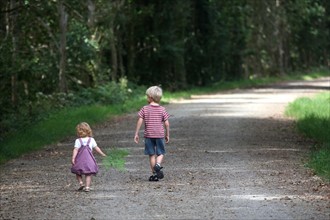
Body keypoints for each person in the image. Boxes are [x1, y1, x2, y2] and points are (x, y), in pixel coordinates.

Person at [134, 86, 170, 181]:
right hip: (159, 135)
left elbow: (140, 121)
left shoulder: (145, 109)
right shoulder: (162, 109)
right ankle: (158, 165)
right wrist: (167, 134)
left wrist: (136, 133)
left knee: (151, 154)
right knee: (161, 153)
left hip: (149, 135)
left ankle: (154, 174)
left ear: (150, 97)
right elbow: (166, 123)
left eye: (146, 96)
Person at [71, 122, 107, 192]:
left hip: (79, 160)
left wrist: (73, 158)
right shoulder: (91, 140)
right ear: (89, 130)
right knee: (88, 174)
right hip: (89, 160)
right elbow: (96, 148)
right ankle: (87, 187)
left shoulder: (78, 141)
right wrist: (102, 154)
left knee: (77, 171)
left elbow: (75, 150)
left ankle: (81, 183)